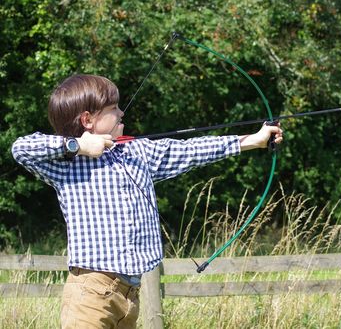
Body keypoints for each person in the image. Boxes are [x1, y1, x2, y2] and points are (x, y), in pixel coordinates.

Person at [11, 74, 283, 328]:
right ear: (87, 120)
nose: (121, 112)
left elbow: (190, 150)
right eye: (113, 108)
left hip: (130, 296)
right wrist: (78, 146)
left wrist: (253, 141)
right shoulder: (66, 165)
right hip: (90, 293)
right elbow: (20, 148)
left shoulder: (136, 152)